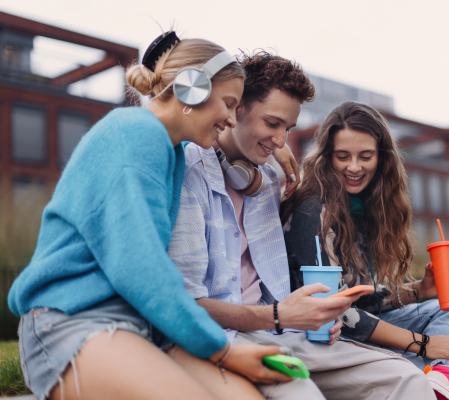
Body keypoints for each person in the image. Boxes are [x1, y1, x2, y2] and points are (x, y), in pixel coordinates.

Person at [8, 32, 294, 400]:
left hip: (138, 326)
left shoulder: (171, 151)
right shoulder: (134, 133)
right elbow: (139, 266)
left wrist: (273, 150)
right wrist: (223, 350)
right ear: (192, 88)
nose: (229, 116)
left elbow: (222, 153)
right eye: (227, 103)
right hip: (72, 319)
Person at [168, 51, 437, 400]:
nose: (281, 141)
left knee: (407, 379)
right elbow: (188, 304)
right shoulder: (188, 173)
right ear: (235, 108)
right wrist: (281, 315)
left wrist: (312, 316)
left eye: (288, 128)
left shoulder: (267, 179)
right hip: (230, 336)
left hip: (289, 333)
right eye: (272, 123)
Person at [280, 101, 449, 400]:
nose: (354, 167)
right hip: (323, 336)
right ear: (327, 158)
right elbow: (339, 310)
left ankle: (448, 379)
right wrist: (423, 344)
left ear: (381, 158)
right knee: (444, 352)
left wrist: (419, 290)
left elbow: (361, 297)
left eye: (365, 156)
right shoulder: (312, 210)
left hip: (356, 325)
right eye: (343, 156)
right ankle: (448, 381)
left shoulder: (366, 206)